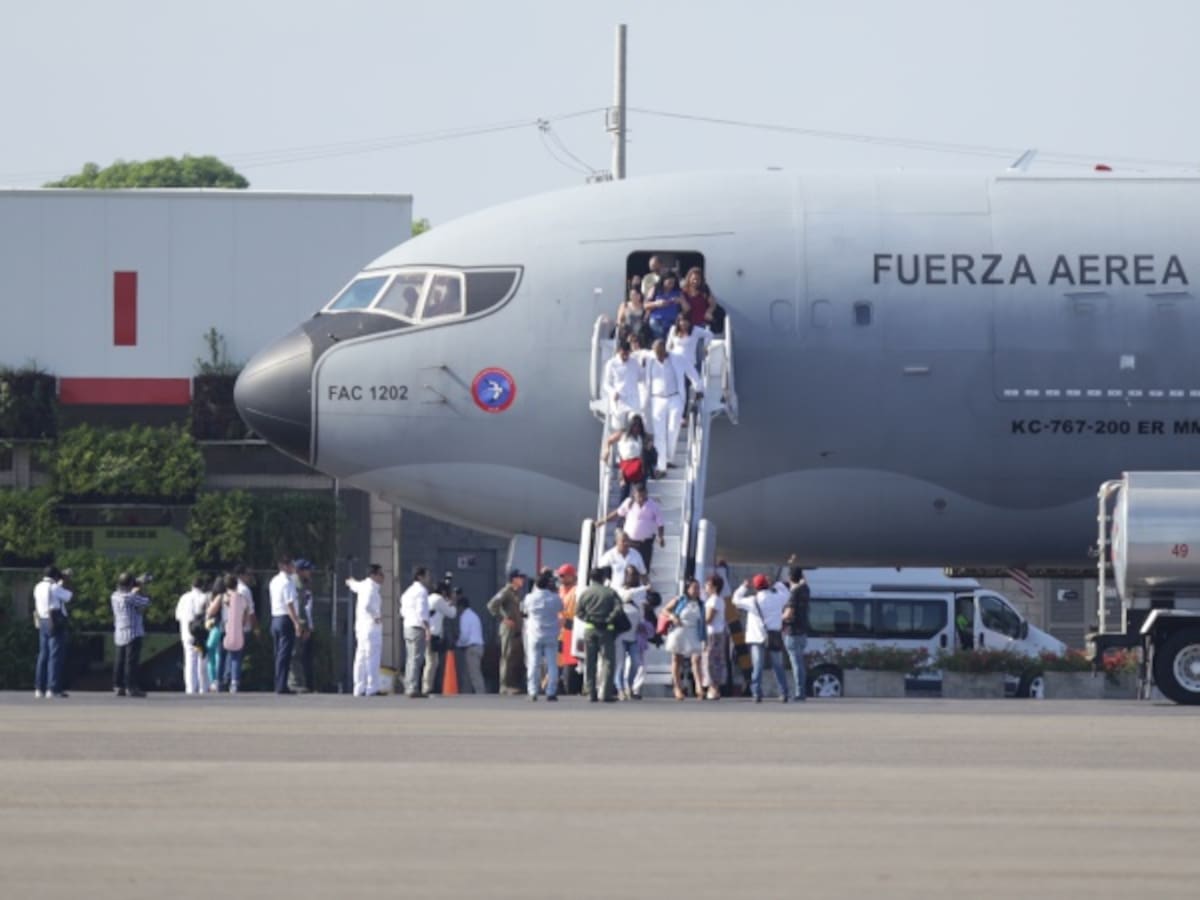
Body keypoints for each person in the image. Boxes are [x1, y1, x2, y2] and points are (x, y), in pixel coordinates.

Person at [733, 574, 790, 703]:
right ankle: (783, 692)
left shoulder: (752, 600)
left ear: (755, 586)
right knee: (778, 665)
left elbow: (735, 600)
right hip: (774, 635)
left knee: (758, 666)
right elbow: (787, 593)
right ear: (767, 585)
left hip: (757, 636)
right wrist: (776, 583)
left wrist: (743, 587)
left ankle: (757, 693)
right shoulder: (777, 598)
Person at [646, 338, 699, 472]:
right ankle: (661, 465)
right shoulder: (650, 360)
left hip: (675, 397)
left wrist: (699, 388)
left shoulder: (677, 358)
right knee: (659, 434)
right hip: (657, 399)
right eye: (655, 353)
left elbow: (691, 372)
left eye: (659, 353)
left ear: (665, 350)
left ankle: (668, 458)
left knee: (673, 430)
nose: (657, 356)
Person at [575, 567, 621, 702]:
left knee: (590, 662)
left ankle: (591, 693)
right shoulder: (610, 593)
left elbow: (578, 612)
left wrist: (590, 619)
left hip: (590, 630)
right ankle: (606, 693)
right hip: (606, 630)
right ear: (603, 578)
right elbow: (618, 609)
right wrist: (608, 619)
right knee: (608, 661)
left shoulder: (585, 593)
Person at [521, 569, 564, 701]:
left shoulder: (529, 598)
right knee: (552, 664)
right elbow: (561, 609)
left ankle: (533, 691)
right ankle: (551, 691)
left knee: (533, 663)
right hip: (551, 634)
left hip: (534, 634)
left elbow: (524, 610)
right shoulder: (555, 598)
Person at [601, 482, 664, 573]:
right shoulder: (629, 503)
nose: (640, 499)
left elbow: (660, 523)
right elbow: (618, 513)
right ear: (634, 494)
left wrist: (661, 537)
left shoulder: (653, 506)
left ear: (646, 493)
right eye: (638, 496)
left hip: (644, 544)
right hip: (629, 543)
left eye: (642, 496)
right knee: (627, 568)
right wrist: (603, 521)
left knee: (643, 568)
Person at [33, 565, 72, 699]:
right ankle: (52, 688)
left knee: (43, 655)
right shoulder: (54, 587)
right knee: (55, 656)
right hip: (55, 620)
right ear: (56, 576)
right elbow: (69, 596)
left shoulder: (38, 586)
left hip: (42, 620)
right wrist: (66, 581)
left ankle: (39, 688)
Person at [487, 569, 527, 695]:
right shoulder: (506, 592)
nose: (523, 580)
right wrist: (503, 618)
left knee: (515, 658)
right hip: (508, 629)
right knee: (507, 657)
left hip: (516, 630)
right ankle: (504, 685)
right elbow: (492, 605)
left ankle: (512, 684)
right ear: (514, 579)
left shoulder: (516, 593)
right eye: (520, 577)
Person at [347, 564, 385, 697]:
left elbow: (354, 585)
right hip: (371, 627)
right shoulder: (371, 588)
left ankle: (359, 687)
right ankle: (372, 687)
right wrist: (376, 616)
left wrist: (350, 582)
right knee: (372, 657)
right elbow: (367, 605)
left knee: (361, 657)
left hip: (361, 627)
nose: (382, 577)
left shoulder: (363, 585)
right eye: (380, 574)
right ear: (373, 575)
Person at [665, 579, 706, 701]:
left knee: (697, 659)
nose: (697, 590)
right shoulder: (680, 600)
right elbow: (665, 610)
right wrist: (672, 616)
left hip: (694, 631)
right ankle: (677, 687)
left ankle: (699, 687)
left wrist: (704, 638)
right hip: (679, 630)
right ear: (687, 589)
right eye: (694, 588)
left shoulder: (701, 604)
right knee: (677, 659)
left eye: (698, 588)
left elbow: (703, 622)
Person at [112, 572, 150, 698]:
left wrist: (135, 586)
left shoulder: (114, 596)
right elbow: (145, 602)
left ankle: (118, 686)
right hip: (133, 631)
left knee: (120, 660)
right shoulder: (129, 597)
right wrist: (141, 587)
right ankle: (131, 687)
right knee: (131, 662)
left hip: (119, 631)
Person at [603, 413, 656, 502]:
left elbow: (650, 442)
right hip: (625, 466)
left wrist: (649, 445)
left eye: (638, 426)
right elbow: (609, 440)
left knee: (640, 492)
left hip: (638, 466)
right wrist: (606, 450)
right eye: (634, 426)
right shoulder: (622, 434)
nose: (636, 429)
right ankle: (622, 514)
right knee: (624, 493)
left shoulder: (642, 436)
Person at [269, 557, 302, 694]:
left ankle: (279, 683)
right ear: (286, 566)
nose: (293, 568)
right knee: (285, 654)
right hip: (285, 618)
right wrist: (296, 622)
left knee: (278, 653)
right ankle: (282, 685)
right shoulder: (287, 582)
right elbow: (289, 603)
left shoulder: (274, 581)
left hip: (275, 617)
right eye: (291, 565)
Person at [613, 567, 646, 701]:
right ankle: (620, 688)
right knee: (620, 664)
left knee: (636, 663)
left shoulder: (638, 602)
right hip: (621, 637)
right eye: (629, 574)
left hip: (633, 637)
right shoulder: (619, 599)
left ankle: (630, 685)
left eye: (634, 575)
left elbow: (642, 618)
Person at [400, 567, 432, 698]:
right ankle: (412, 687)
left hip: (407, 625)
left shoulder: (408, 592)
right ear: (420, 577)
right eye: (427, 576)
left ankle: (409, 685)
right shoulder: (421, 591)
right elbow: (422, 612)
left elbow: (402, 611)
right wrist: (427, 628)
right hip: (417, 627)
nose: (428, 578)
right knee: (416, 658)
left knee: (410, 658)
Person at [175, 575, 210, 695]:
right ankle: (202, 687)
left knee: (189, 660)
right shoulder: (204, 597)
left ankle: (190, 687)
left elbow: (178, 616)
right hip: (199, 634)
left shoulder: (184, 597)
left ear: (192, 585)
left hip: (186, 632)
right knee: (202, 659)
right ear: (202, 586)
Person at [424, 579, 459, 695]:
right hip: (432, 635)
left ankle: (429, 686)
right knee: (431, 662)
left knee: (432, 661)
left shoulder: (429, 598)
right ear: (443, 592)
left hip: (427, 633)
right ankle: (427, 687)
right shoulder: (438, 599)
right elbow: (452, 613)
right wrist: (453, 601)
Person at [220, 574, 251, 693]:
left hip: (225, 627)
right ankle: (234, 682)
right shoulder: (241, 598)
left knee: (224, 655)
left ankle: (222, 679)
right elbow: (246, 613)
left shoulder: (223, 597)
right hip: (238, 628)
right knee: (236, 657)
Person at [603, 340, 644, 431]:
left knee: (634, 424)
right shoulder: (611, 364)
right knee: (619, 429)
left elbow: (641, 377)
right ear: (618, 351)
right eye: (623, 354)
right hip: (619, 401)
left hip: (633, 401)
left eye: (627, 354)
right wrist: (613, 392)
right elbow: (606, 384)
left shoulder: (634, 362)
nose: (625, 356)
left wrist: (644, 365)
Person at [783, 564, 810, 702]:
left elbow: (788, 614)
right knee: (800, 662)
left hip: (792, 631)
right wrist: (795, 567)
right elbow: (804, 581)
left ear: (789, 578)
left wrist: (779, 617)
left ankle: (799, 693)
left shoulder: (793, 593)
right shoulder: (806, 590)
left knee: (796, 663)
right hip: (803, 630)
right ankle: (802, 691)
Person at [556, 563, 581, 694]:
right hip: (559, 632)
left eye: (563, 576)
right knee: (557, 662)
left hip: (570, 630)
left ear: (572, 576)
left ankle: (569, 688)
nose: (560, 578)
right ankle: (558, 685)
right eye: (560, 576)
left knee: (569, 663)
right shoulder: (559, 590)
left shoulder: (577, 591)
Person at [702, 573, 728, 700]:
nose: (706, 587)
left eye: (708, 585)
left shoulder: (714, 600)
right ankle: (714, 688)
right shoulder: (718, 600)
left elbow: (708, 619)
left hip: (713, 634)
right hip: (718, 633)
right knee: (716, 661)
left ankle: (713, 687)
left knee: (710, 661)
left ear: (714, 586)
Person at [455, 592, 486, 694]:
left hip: (472, 648)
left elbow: (464, 635)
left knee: (474, 673)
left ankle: (481, 693)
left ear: (461, 606)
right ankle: (467, 692)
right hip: (479, 646)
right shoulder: (474, 615)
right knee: (470, 673)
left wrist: (457, 644)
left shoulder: (464, 617)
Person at [294, 559, 317, 692]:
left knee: (307, 656)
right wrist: (305, 626)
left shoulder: (306, 585)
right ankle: (298, 683)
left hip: (308, 624)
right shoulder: (298, 586)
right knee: (298, 655)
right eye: (307, 570)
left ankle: (308, 683)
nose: (310, 572)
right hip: (302, 625)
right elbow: (301, 609)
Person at [645, 271, 683, 340]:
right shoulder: (655, 289)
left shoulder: (678, 292)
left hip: (672, 322)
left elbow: (687, 308)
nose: (671, 285)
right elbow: (645, 305)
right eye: (669, 283)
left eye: (673, 283)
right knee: (660, 340)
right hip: (657, 321)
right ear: (663, 281)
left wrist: (680, 301)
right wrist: (656, 304)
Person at [204, 574, 226, 692]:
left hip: (216, 626)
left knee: (212, 650)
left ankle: (214, 680)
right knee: (218, 652)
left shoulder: (217, 597)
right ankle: (216, 679)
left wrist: (207, 612)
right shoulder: (226, 596)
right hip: (221, 626)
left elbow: (211, 611)